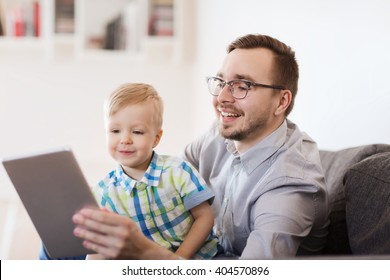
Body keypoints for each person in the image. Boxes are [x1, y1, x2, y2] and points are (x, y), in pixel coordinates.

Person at [72, 34, 329, 259]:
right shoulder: (220, 135)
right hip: (184, 255)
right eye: (221, 82)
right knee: (62, 249)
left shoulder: (291, 183)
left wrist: (144, 252)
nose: (222, 99)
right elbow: (164, 180)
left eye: (242, 86)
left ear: (281, 101)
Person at [84, 83, 218, 260]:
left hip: (198, 258)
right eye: (115, 131)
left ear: (156, 138)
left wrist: (179, 260)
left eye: (137, 132)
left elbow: (205, 217)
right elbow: (100, 249)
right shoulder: (103, 193)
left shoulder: (178, 171)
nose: (125, 139)